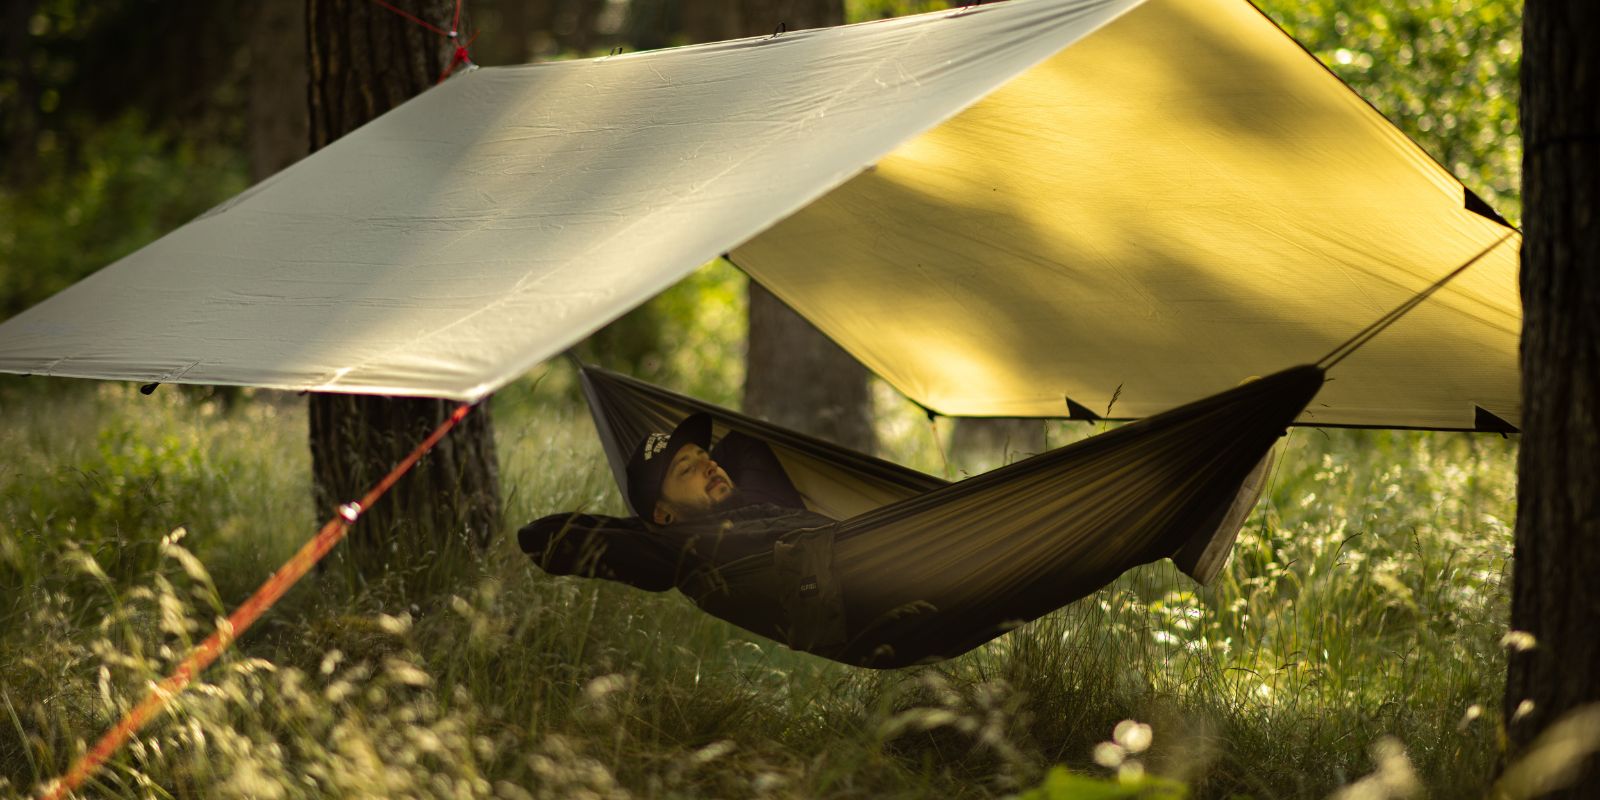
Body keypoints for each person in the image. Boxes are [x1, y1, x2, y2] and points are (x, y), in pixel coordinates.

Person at [517, 413, 833, 593]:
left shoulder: (757, 495)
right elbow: (538, 537)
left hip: (857, 540)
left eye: (706, 458)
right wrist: (647, 526)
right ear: (664, 514)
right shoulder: (686, 550)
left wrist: (703, 476)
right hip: (844, 575)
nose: (710, 466)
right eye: (686, 469)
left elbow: (741, 442)